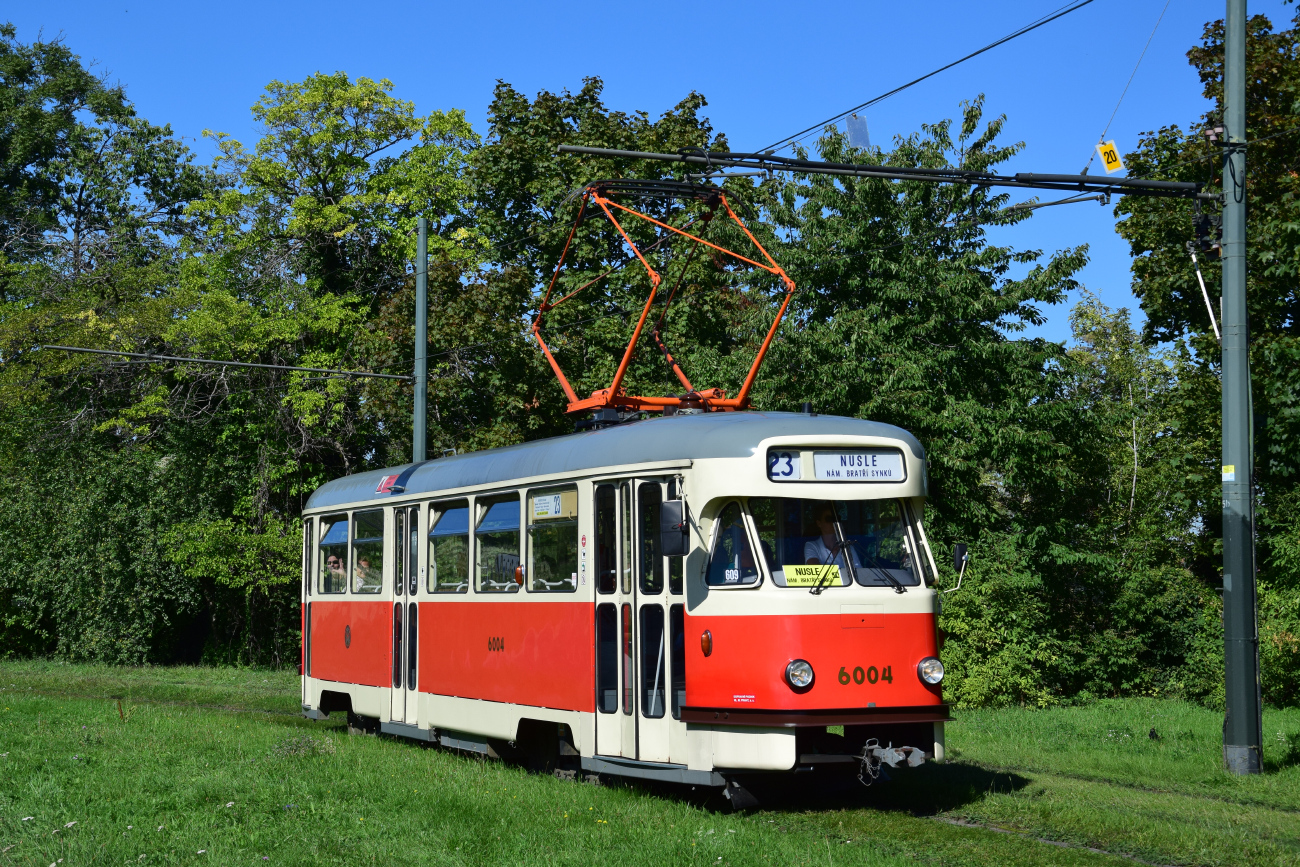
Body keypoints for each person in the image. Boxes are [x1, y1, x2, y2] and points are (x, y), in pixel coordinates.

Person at [804, 504, 862, 573]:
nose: (833, 522)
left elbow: (859, 572)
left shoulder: (847, 547)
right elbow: (816, 570)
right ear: (819, 523)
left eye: (836, 519)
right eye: (829, 519)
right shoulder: (811, 546)